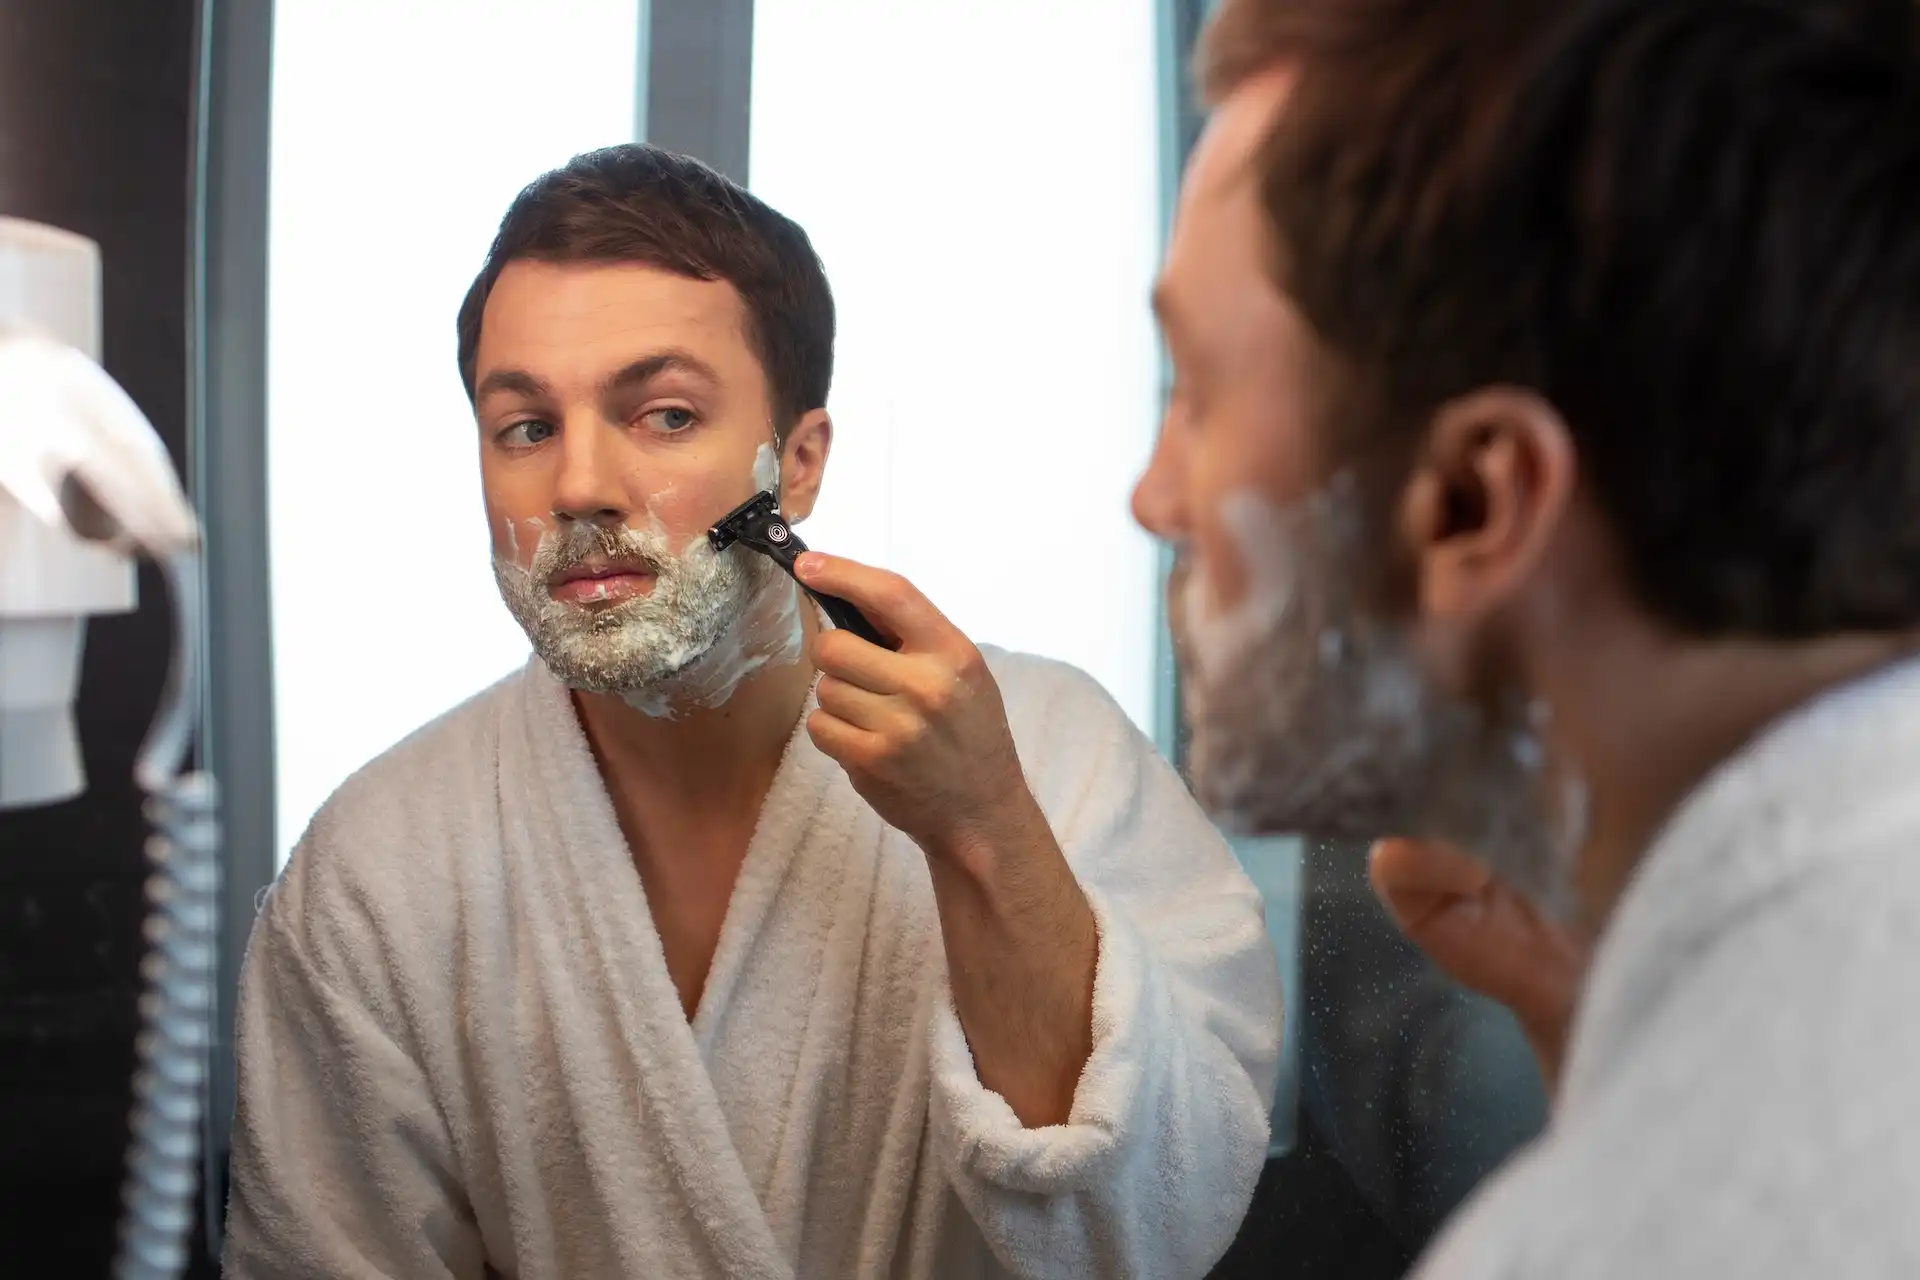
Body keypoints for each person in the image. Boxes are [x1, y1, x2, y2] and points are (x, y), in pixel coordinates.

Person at [223, 144, 1282, 1280]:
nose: (579, 482)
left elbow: (1160, 1220)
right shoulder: (379, 869)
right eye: (525, 427)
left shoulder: (1057, 754)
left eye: (664, 415)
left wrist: (983, 826)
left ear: (802, 463)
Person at [1135, 0, 1920, 1275]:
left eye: (1200, 392)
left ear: (1474, 501)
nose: (1155, 497)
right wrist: (1597, 1032)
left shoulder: (1653, 1225)